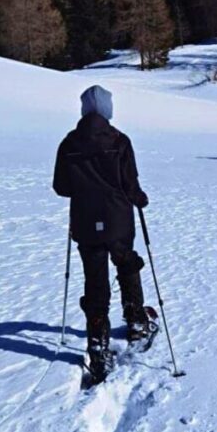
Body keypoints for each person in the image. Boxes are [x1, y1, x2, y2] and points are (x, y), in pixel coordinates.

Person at [53, 85, 150, 379]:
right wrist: (139, 198)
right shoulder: (119, 140)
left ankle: (98, 344)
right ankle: (136, 322)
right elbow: (129, 182)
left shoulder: (69, 143)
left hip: (85, 221)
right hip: (119, 218)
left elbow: (61, 187)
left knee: (95, 281)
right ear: (108, 110)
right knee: (126, 264)